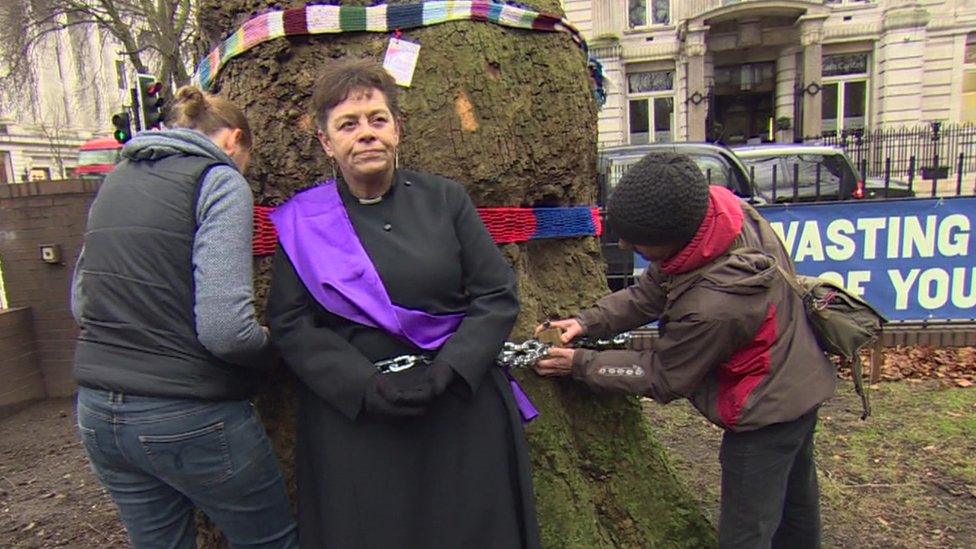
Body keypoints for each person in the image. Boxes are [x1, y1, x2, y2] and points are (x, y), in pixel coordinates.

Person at [265, 58, 540, 549]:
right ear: (328, 142)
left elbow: (496, 294)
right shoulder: (305, 221)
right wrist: (363, 386)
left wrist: (452, 370)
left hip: (458, 404)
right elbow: (290, 323)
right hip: (358, 417)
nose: (366, 133)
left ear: (398, 129)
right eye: (348, 124)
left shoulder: (445, 200)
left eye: (377, 119)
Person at [534, 152, 837, 549]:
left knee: (747, 530)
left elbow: (665, 375)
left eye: (637, 241)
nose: (624, 244)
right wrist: (589, 321)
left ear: (674, 237)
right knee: (797, 507)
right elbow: (651, 291)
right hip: (801, 379)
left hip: (766, 409)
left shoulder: (713, 306)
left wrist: (581, 364)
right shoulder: (718, 215)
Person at [72, 87, 298, 548]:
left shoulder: (115, 180)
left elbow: (81, 303)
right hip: (189, 417)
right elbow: (225, 331)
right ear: (234, 141)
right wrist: (277, 349)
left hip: (98, 415)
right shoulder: (218, 180)